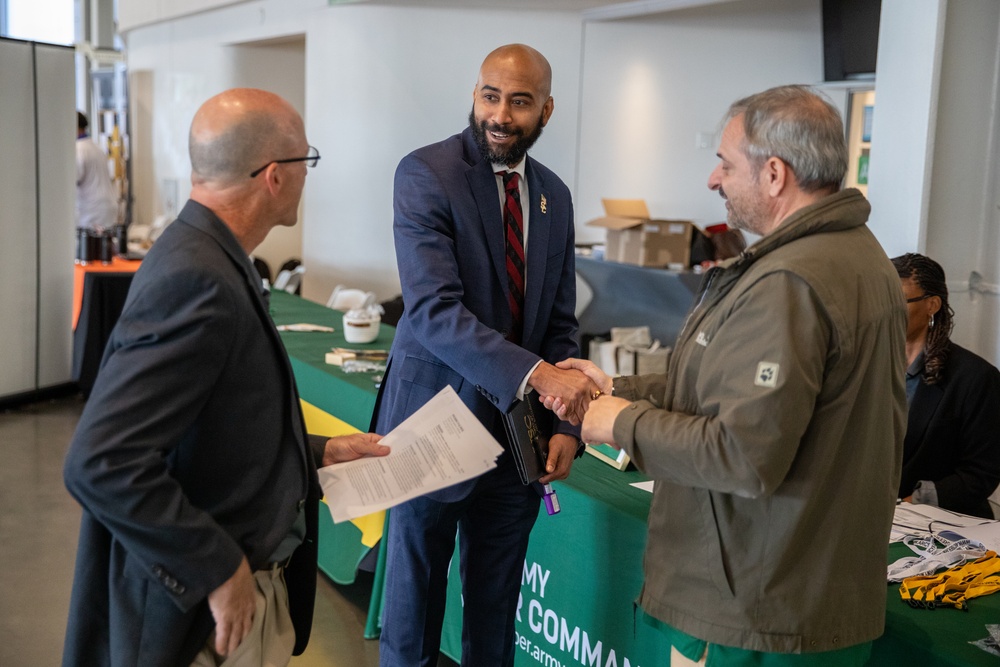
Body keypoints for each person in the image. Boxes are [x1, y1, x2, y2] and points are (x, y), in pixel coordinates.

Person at [546, 85, 907, 665]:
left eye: (724, 163)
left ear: (773, 174)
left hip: (754, 609)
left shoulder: (789, 282)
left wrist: (622, 424)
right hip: (804, 596)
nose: (713, 180)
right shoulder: (856, 253)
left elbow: (742, 454)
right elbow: (735, 388)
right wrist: (618, 389)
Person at [62, 88, 389, 667]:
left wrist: (318, 452)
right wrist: (217, 568)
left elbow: (213, 431)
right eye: (305, 161)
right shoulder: (199, 277)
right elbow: (101, 460)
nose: (307, 177)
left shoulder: (208, 256)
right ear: (274, 177)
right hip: (200, 618)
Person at [373, 44, 597, 666]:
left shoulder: (554, 195)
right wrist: (540, 375)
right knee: (412, 616)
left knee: (496, 618)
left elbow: (559, 322)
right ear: (474, 94)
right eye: (489, 96)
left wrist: (568, 426)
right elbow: (433, 312)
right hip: (430, 426)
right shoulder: (425, 173)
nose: (500, 114)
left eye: (519, 101)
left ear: (546, 109)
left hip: (517, 440)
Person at [893, 252, 1000, 519]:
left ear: (932, 305)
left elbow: (980, 474)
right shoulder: (866, 366)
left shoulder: (975, 377)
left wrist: (910, 502)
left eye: (899, 300)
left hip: (941, 524)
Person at [75, 111, 118, 230]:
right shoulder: (95, 147)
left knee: (91, 247)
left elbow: (72, 179)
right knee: (104, 246)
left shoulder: (78, 148)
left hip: (92, 211)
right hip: (107, 207)